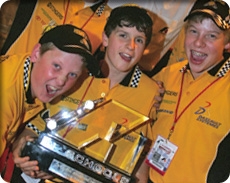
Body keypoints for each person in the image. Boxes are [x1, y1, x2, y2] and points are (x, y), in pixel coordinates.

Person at [11, 5, 160, 183]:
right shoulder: (74, 75)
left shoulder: (151, 93)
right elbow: (34, 128)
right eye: (123, 35)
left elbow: (141, 159)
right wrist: (24, 150)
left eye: (140, 40)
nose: (131, 46)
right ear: (105, 38)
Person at [0, 24, 99, 181]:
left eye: (72, 74)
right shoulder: (6, 92)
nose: (61, 81)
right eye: (57, 66)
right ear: (36, 53)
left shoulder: (29, 77)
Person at [145, 0, 230, 182]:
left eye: (211, 36)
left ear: (228, 43)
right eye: (194, 31)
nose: (198, 43)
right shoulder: (168, 74)